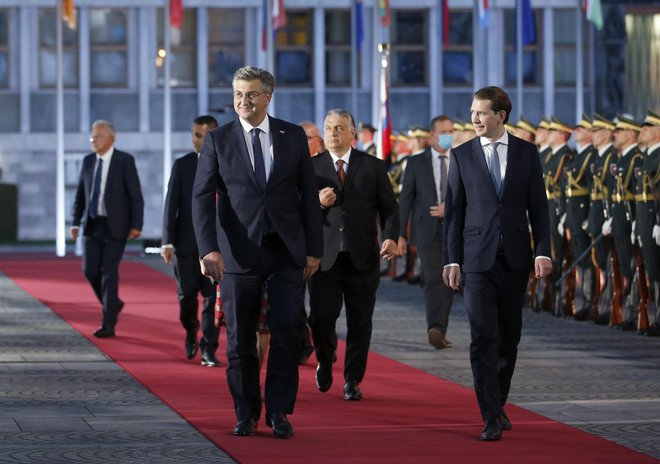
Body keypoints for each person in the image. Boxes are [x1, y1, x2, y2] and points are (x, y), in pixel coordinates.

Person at [192, 66, 323, 439]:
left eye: (250, 94)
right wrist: (208, 249)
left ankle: (279, 412)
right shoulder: (219, 140)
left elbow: (308, 199)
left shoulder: (293, 136)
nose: (243, 101)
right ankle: (246, 412)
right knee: (239, 340)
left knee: (285, 334)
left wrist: (313, 250)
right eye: (237, 94)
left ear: (268, 96)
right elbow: (201, 199)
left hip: (286, 251)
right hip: (237, 253)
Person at [442, 87, 552, 441]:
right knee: (483, 337)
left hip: (516, 259)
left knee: (509, 339)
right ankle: (489, 415)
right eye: (472, 112)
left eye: (481, 112)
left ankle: (498, 401)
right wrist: (452, 259)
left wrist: (543, 251)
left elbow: (539, 207)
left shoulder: (526, 153)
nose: (474, 118)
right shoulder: (461, 155)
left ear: (500, 115)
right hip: (476, 261)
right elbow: (454, 212)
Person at [309, 108, 399, 402]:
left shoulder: (372, 166)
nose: (333, 133)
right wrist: (317, 204)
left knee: (360, 322)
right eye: (328, 128)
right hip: (325, 260)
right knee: (321, 318)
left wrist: (390, 237)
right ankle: (325, 359)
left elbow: (390, 208)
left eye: (339, 128)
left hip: (363, 259)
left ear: (352, 134)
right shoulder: (310, 167)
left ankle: (352, 379)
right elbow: (295, 211)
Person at [70, 120, 144, 338]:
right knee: (90, 271)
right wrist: (75, 222)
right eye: (92, 137)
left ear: (111, 138)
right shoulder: (87, 161)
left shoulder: (125, 161)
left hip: (116, 226)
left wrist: (136, 225)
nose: (93, 141)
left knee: (109, 273)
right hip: (93, 225)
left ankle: (108, 323)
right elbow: (80, 196)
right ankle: (113, 304)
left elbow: (135, 197)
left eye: (98, 137)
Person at [161, 115, 221, 366]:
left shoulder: (228, 164)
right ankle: (190, 330)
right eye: (194, 134)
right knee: (186, 296)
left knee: (211, 299)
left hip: (217, 247)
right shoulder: (182, 165)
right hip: (185, 245)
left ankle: (209, 348)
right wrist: (167, 241)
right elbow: (171, 203)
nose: (196, 140)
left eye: (201, 135)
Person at [398, 115, 455, 350]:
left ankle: (441, 328)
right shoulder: (415, 163)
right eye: (444, 131)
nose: (448, 135)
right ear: (433, 135)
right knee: (433, 277)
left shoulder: (461, 160)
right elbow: (405, 201)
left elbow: (471, 195)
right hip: (426, 230)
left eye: (451, 131)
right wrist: (399, 234)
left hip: (454, 230)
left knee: (452, 279)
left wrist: (449, 208)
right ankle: (435, 327)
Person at [636, 109, 660, 336]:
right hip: (645, 220)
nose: (641, 131)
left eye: (646, 127)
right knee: (652, 269)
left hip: (654, 219)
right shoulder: (647, 157)